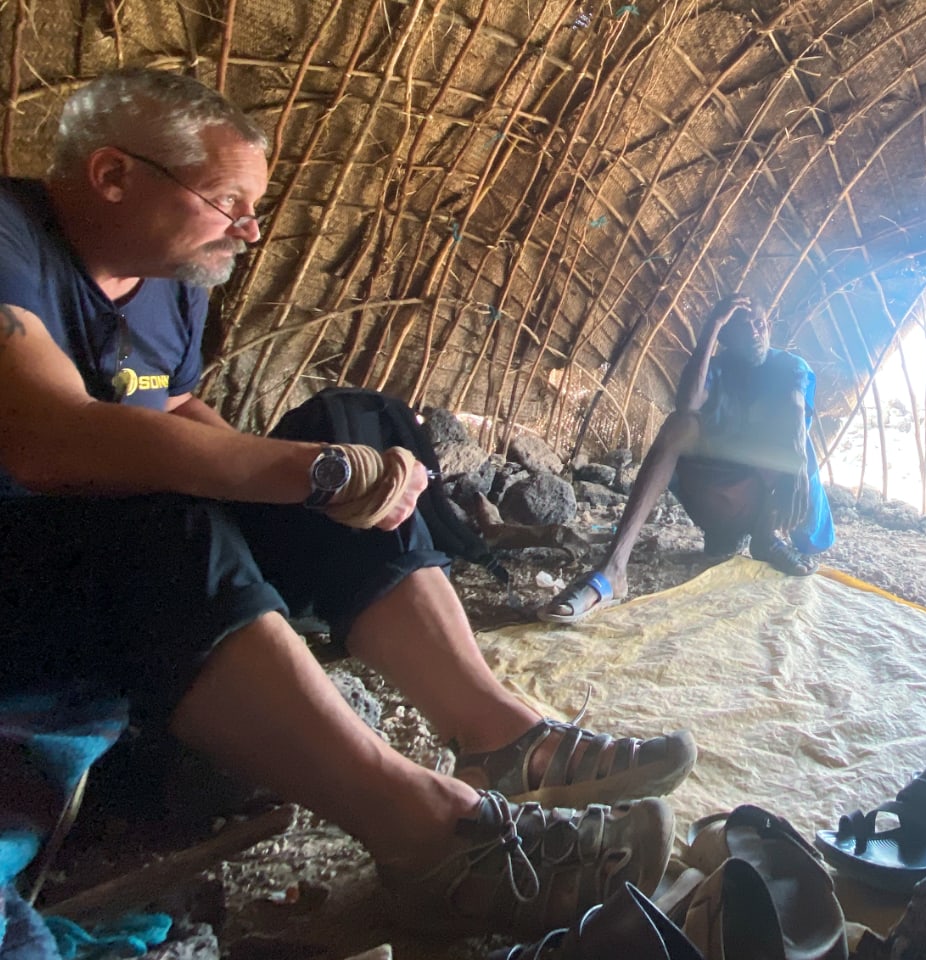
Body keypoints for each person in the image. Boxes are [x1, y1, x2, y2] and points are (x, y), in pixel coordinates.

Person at [0, 68, 696, 943]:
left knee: (354, 420)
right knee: (168, 520)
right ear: (112, 176)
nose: (250, 229)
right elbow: (48, 439)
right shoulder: (12, 241)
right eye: (228, 202)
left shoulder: (168, 281)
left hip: (127, 543)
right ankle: (433, 839)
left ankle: (500, 735)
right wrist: (312, 476)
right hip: (34, 564)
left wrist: (321, 467)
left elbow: (175, 411)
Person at [538, 295, 834, 624]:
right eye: (741, 327)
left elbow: (794, 408)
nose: (755, 331)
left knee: (793, 437)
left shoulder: (789, 366)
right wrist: (712, 327)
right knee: (680, 424)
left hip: (772, 504)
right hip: (718, 504)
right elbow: (688, 403)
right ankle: (613, 569)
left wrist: (798, 466)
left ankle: (766, 539)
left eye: (759, 323)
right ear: (725, 339)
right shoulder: (717, 369)